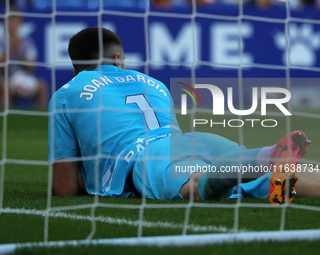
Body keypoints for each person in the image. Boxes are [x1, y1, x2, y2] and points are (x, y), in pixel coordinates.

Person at [48, 27, 319, 204]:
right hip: (194, 141)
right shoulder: (154, 83)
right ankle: (264, 158)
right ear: (118, 58)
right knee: (276, 178)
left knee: (193, 187)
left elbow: (65, 187)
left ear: (75, 67)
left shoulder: (66, 93)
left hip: (148, 158)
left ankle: (262, 157)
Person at [0, 8, 48, 109]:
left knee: (42, 85)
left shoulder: (28, 43)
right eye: (8, 20)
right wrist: (12, 49)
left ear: (20, 23)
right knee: (4, 86)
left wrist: (20, 53)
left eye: (15, 21)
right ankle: (7, 117)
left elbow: (31, 67)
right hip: (3, 79)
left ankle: (41, 117)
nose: (11, 24)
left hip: (23, 78)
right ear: (3, 23)